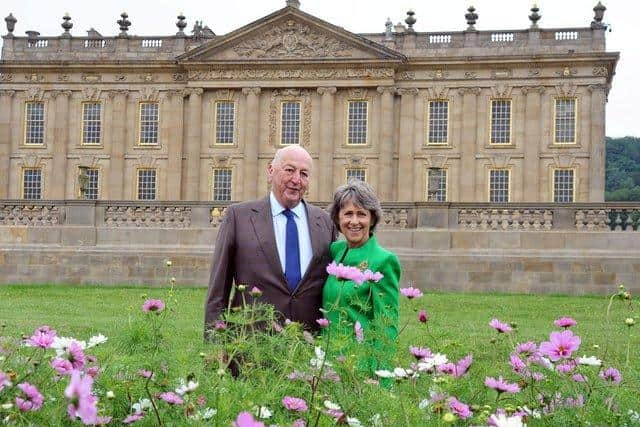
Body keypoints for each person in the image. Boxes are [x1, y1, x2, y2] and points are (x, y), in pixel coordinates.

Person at [204, 145, 337, 336]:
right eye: (289, 170)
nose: (296, 180)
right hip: (252, 348)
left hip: (309, 347)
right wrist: (214, 346)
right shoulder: (238, 217)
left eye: (304, 174)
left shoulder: (325, 222)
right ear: (270, 171)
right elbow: (218, 293)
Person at [322, 180, 401, 374]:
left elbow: (386, 326)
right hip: (327, 359)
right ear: (338, 219)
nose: (354, 221)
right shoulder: (335, 251)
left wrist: (383, 378)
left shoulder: (384, 260)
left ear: (372, 219)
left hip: (359, 365)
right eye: (348, 214)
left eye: (362, 214)